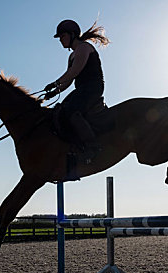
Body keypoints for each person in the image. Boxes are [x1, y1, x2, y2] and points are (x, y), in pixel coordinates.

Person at [44, 19, 110, 164]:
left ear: (72, 34)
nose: (61, 40)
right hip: (81, 89)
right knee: (60, 111)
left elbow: (75, 71)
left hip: (93, 88)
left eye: (62, 36)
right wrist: (54, 92)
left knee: (72, 112)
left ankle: (93, 147)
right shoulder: (72, 55)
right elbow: (68, 81)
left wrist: (55, 82)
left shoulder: (84, 48)